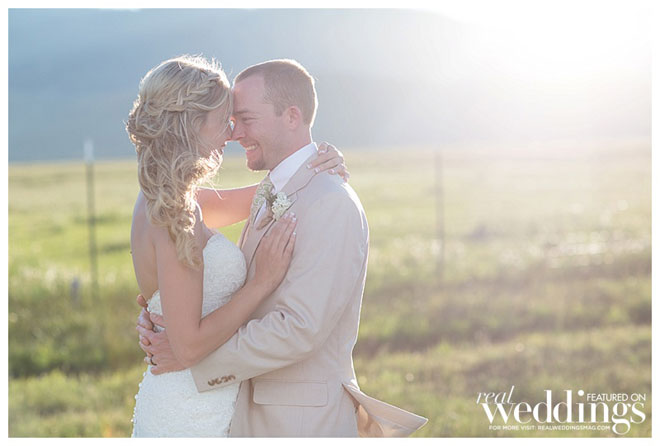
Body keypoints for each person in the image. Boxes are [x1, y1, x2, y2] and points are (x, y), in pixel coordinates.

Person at [137, 58, 428, 437]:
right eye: (227, 120)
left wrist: (192, 357)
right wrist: (169, 321)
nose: (233, 133)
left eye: (244, 119)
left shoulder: (329, 202)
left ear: (292, 116)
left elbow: (300, 328)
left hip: (298, 423)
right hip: (218, 409)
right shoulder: (179, 204)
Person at [127, 55, 347, 437]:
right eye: (224, 120)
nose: (231, 134)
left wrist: (317, 162)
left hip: (205, 399)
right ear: (193, 124)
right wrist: (259, 283)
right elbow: (189, 347)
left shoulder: (168, 198)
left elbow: (268, 192)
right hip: (188, 413)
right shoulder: (175, 212)